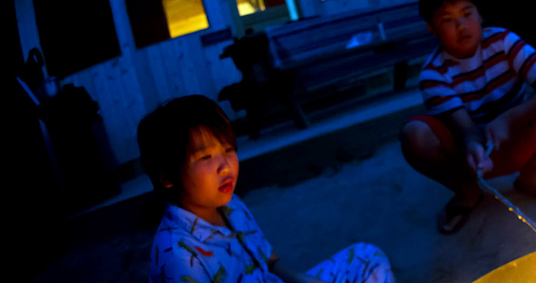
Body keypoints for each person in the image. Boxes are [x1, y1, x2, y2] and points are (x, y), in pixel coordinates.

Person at [140, 95, 395, 283]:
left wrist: (299, 280)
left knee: (367, 258)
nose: (225, 167)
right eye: (205, 158)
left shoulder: (232, 204)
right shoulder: (178, 255)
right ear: (167, 177)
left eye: (228, 150)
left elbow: (269, 261)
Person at [401, 0, 536, 234]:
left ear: (480, 13)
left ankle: (531, 178)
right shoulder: (434, 73)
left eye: (467, 14)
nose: (461, 26)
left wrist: (510, 118)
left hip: (520, 137)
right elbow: (464, 129)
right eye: (447, 20)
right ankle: (468, 192)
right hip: (474, 157)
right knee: (415, 135)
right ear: (431, 28)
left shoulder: (503, 41)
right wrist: (473, 145)